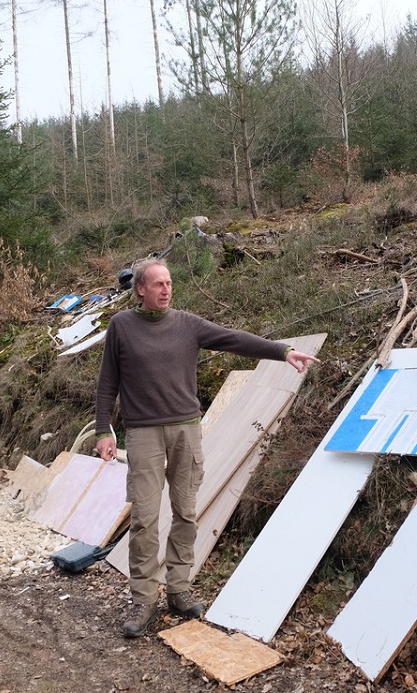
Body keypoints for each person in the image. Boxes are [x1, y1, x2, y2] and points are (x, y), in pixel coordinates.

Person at [94, 258, 319, 638]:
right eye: (158, 284)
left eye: (169, 282)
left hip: (186, 429)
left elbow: (235, 339)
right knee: (144, 518)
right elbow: (106, 383)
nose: (166, 289)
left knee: (185, 512)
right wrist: (103, 430)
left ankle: (179, 590)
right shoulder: (122, 327)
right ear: (140, 290)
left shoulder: (187, 324)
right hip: (143, 433)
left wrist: (283, 352)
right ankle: (144, 599)